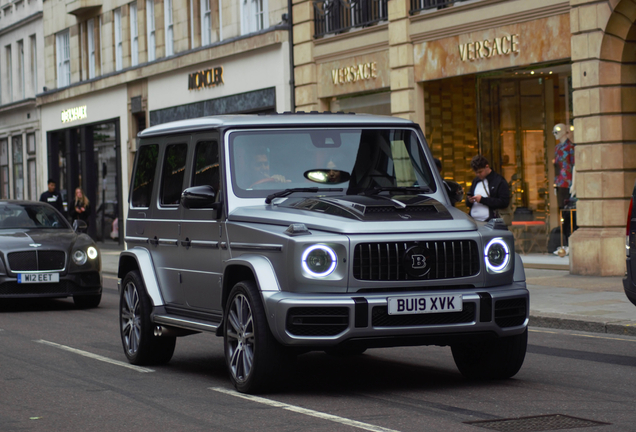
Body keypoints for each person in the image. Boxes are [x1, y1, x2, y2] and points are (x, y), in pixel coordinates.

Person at [466, 155, 510, 221]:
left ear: (487, 167)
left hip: (491, 222)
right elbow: (468, 203)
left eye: (480, 172)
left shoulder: (499, 181)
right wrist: (469, 200)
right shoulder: (476, 181)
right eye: (476, 172)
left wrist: (482, 200)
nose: (478, 174)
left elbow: (504, 202)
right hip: (474, 220)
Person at [552, 123, 575, 209]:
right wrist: (555, 184)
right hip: (560, 183)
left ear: (563, 132)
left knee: (568, 208)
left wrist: (574, 184)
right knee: (561, 207)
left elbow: (574, 166)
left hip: (568, 182)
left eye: (556, 132)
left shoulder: (570, 147)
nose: (555, 134)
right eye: (553, 132)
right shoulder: (557, 148)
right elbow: (557, 167)